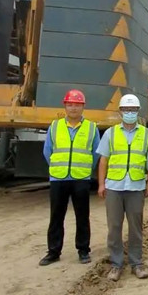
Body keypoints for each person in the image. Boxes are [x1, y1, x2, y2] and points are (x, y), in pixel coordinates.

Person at [39, 89, 100, 266]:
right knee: (56, 216)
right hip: (59, 178)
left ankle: (83, 250)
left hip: (80, 178)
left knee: (82, 216)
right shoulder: (55, 126)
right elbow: (47, 151)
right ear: (65, 106)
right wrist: (58, 167)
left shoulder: (91, 128)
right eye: (70, 104)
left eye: (77, 105)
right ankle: (53, 251)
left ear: (83, 107)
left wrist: (86, 169)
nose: (73, 108)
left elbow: (95, 153)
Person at [97, 94, 148, 281]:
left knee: (136, 227)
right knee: (114, 226)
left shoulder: (146, 134)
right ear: (120, 112)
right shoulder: (111, 133)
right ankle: (116, 264)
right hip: (114, 186)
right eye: (126, 110)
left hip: (136, 186)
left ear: (138, 112)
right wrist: (101, 184)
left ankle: (137, 263)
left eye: (133, 110)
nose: (130, 113)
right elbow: (103, 160)